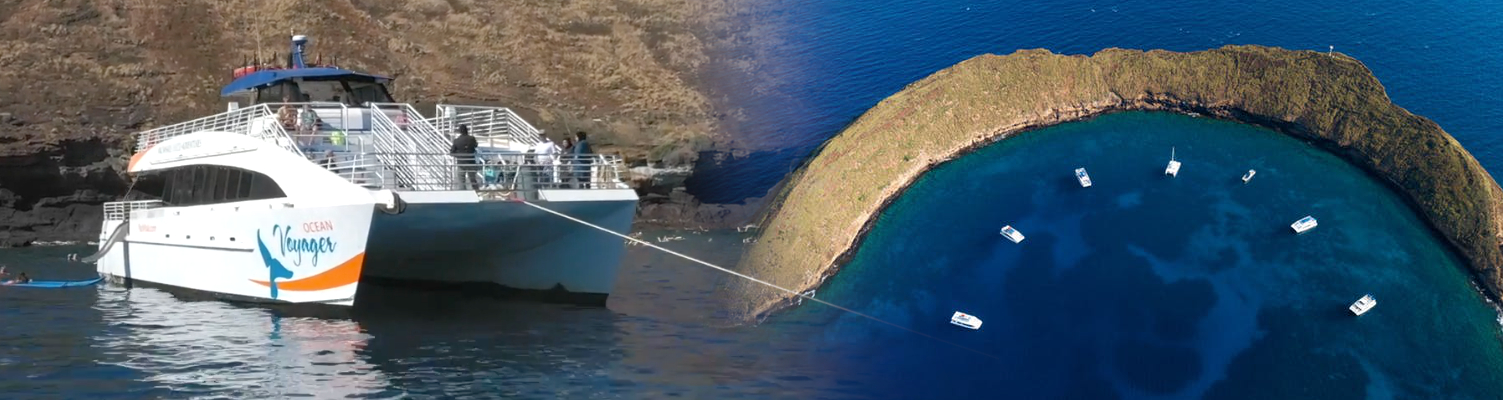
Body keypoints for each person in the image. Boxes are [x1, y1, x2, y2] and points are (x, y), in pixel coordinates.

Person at [450, 124, 480, 189]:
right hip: (471, 162)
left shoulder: (456, 140)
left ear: (460, 131)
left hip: (461, 163)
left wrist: (459, 155)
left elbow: (452, 152)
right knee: (473, 179)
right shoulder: (471, 138)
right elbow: (475, 145)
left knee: (461, 180)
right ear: (467, 130)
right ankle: (477, 192)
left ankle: (463, 194)